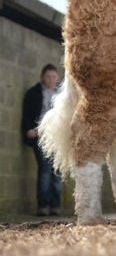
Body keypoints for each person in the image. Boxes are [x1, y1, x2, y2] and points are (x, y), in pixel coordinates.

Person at [21, 63, 63, 215]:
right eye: (48, 76)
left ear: (57, 78)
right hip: (40, 136)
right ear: (42, 77)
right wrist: (28, 130)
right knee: (45, 170)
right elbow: (26, 114)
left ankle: (55, 205)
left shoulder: (62, 93)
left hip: (57, 136)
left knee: (56, 171)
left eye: (54, 77)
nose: (51, 79)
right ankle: (43, 205)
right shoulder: (33, 93)